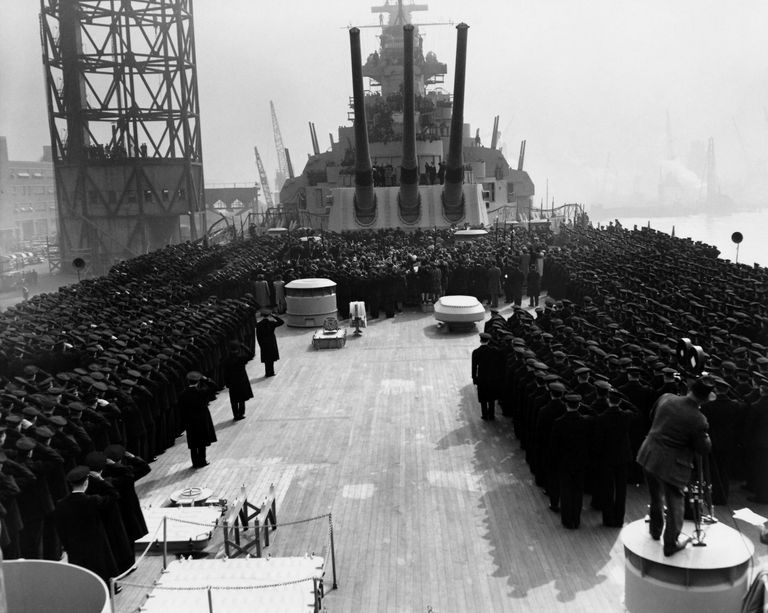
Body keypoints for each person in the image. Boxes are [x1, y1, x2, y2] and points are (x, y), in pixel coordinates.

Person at [636, 376, 714, 556]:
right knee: (675, 504)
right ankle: (671, 543)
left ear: (690, 390)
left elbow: (651, 415)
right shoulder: (699, 419)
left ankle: (655, 531)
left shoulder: (667, 398)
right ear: (704, 399)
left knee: (655, 497)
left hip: (648, 454)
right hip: (672, 466)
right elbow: (703, 448)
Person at [54, 465, 119, 586]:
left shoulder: (61, 504)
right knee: (101, 573)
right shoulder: (93, 500)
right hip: (96, 545)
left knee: (81, 577)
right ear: (86, 482)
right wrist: (101, 480)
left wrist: (67, 546)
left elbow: (60, 529)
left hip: (75, 547)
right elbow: (114, 495)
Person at [178, 371, 217, 468]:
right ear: (198, 382)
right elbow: (214, 387)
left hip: (190, 421)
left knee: (193, 442)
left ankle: (195, 462)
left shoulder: (183, 394)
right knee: (202, 441)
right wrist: (206, 379)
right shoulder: (202, 392)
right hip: (202, 419)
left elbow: (181, 409)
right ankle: (202, 460)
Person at [471, 332, 502, 420]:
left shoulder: (476, 352)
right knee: (491, 398)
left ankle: (484, 415)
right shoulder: (494, 351)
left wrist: (474, 378)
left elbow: (474, 367)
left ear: (480, 340)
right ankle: (491, 415)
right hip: (492, 378)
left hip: (481, 378)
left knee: (483, 398)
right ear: (488, 341)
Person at [222, 339, 254, 420]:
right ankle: (241, 413)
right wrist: (243, 346)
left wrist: (227, 383)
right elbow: (251, 355)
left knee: (234, 399)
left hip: (232, 382)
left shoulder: (227, 360)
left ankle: (235, 415)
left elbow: (225, 372)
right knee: (242, 398)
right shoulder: (241, 358)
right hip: (242, 380)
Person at [256, 309, 284, 377]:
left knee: (266, 359)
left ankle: (267, 372)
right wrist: (274, 316)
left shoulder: (259, 324)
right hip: (271, 342)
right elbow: (281, 322)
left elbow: (258, 336)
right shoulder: (272, 323)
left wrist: (260, 345)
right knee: (271, 358)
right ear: (269, 316)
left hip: (264, 343)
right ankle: (271, 372)